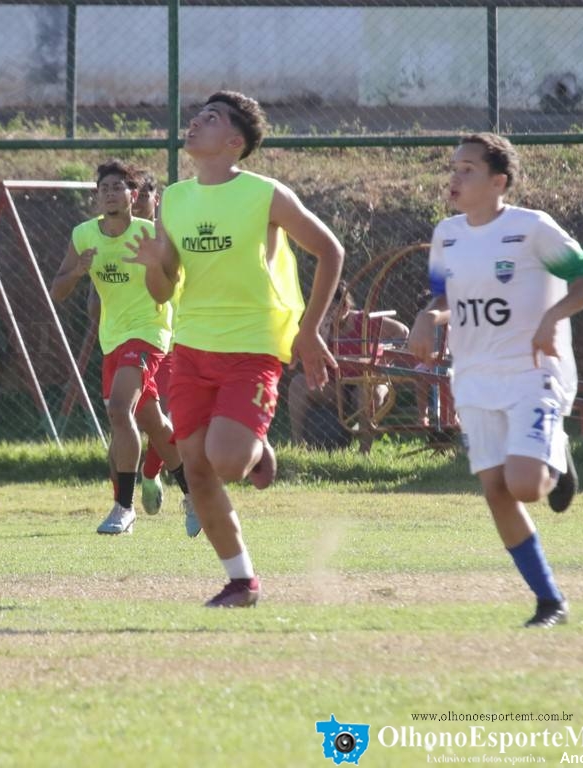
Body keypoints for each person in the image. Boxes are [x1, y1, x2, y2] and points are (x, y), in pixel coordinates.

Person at [125, 91, 344, 607]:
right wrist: (155, 264)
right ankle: (242, 582)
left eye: (211, 118)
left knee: (225, 461)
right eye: (197, 115)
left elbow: (329, 250)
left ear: (234, 142)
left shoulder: (265, 194)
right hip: (191, 349)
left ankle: (255, 447)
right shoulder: (174, 199)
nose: (195, 122)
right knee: (195, 468)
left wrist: (310, 330)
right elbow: (163, 290)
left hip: (252, 347)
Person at [408, 132, 583, 628]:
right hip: (475, 376)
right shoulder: (447, 234)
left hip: (532, 372)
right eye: (453, 168)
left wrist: (552, 317)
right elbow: (445, 297)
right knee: (496, 490)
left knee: (524, 486)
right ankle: (549, 602)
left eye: (468, 169)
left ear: (499, 182)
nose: (455, 177)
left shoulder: (531, 228)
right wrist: (428, 317)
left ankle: (555, 451)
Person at [51, 159, 191, 535]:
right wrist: (77, 272)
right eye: (105, 188)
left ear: (133, 195)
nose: (111, 193)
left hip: (150, 333)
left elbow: (174, 284)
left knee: (118, 410)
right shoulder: (84, 235)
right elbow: (58, 291)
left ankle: (123, 507)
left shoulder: (151, 234)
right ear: (97, 197)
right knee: (154, 424)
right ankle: (194, 491)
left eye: (118, 187)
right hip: (112, 338)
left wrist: (154, 267)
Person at [287, 280, 409, 453]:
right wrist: (323, 335)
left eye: (332, 308)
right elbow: (313, 360)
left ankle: (364, 450)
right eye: (325, 309)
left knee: (366, 392)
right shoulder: (319, 327)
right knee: (297, 385)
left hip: (367, 379)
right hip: (337, 385)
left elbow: (402, 332)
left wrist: (383, 360)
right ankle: (298, 444)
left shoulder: (363, 320)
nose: (328, 314)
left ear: (345, 307)